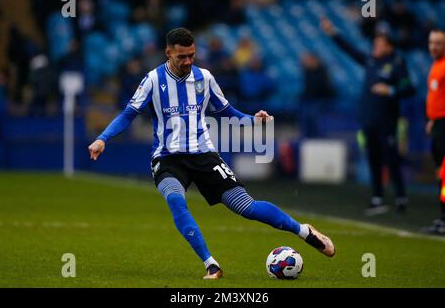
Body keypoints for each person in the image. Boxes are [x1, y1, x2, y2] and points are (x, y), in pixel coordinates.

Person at [88, 28, 335, 279]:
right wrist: (102, 138)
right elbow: (128, 113)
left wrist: (254, 120)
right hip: (167, 158)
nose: (187, 61)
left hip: (204, 155)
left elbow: (227, 112)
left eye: (191, 55)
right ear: (168, 53)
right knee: (176, 200)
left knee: (246, 207)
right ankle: (211, 264)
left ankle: (303, 231)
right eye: (181, 57)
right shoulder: (152, 80)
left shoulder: (204, 78)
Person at [321, 18, 416, 216]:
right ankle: (378, 198)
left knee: (391, 159)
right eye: (375, 44)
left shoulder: (397, 63)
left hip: (387, 120)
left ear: (389, 47)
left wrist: (389, 90)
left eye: (380, 45)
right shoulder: (372, 61)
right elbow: (351, 51)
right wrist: (333, 33)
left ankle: (400, 196)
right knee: (373, 159)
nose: (376, 47)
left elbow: (409, 89)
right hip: (369, 119)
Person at [422, 28, 445, 235]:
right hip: (438, 123)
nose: (434, 46)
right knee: (440, 173)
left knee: (444, 174)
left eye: (438, 43)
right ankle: (442, 218)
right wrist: (433, 119)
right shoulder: (436, 66)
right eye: (431, 42)